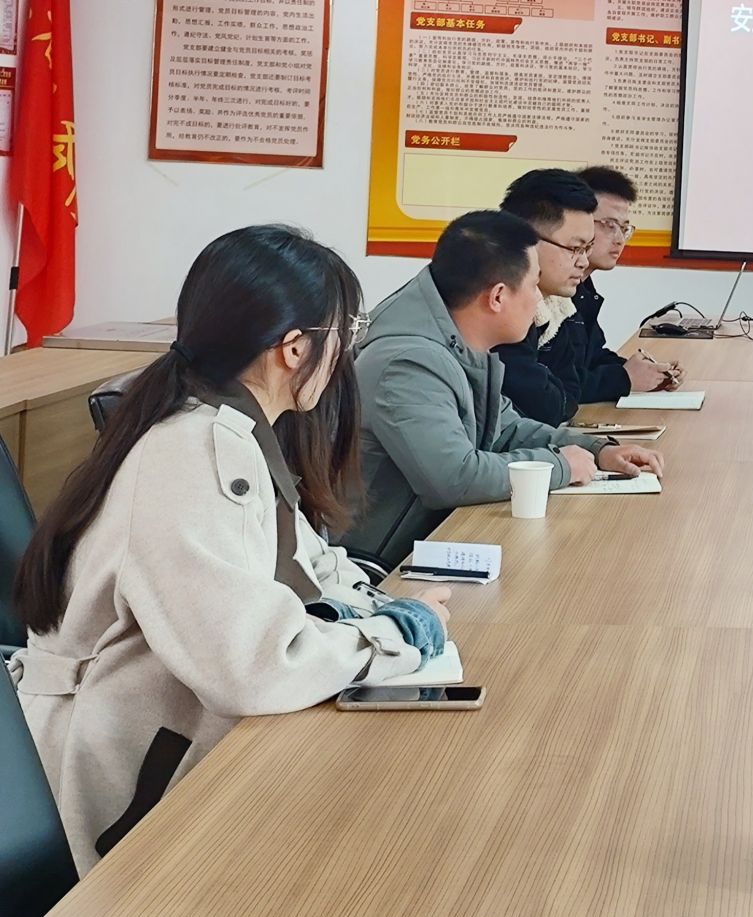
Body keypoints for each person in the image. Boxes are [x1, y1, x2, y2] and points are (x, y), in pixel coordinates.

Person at [7, 226, 450, 873]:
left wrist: (377, 613)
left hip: (166, 748)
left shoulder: (227, 427)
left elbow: (312, 567)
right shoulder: (191, 451)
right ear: (294, 349)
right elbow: (253, 666)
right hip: (122, 797)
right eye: (344, 334)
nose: (345, 354)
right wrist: (397, 635)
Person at [342, 210, 665, 566]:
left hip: (431, 542)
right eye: (533, 286)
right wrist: (560, 466)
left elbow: (505, 427)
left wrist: (596, 449)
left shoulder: (459, 340)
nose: (538, 300)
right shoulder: (408, 363)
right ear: (497, 297)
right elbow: (454, 477)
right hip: (373, 567)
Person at [538, 166, 676, 409]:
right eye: (609, 225)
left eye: (624, 228)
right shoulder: (545, 293)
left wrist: (646, 372)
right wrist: (623, 378)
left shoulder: (582, 287)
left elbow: (592, 356)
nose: (620, 239)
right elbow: (555, 383)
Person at [491, 169, 601, 426]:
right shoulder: (497, 305)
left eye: (587, 248)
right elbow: (546, 407)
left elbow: (570, 392)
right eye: (575, 248)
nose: (584, 262)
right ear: (526, 240)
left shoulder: (554, 304)